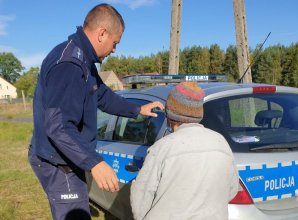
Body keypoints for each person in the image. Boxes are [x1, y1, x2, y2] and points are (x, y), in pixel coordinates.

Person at [28, 3, 163, 220]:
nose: (114, 49)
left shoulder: (84, 60)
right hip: (58, 162)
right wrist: (95, 163)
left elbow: (102, 95)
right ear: (102, 34)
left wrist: (137, 108)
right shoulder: (70, 64)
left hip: (68, 157)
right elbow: (57, 126)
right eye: (115, 43)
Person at [131, 81, 239, 220]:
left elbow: (141, 199)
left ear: (170, 114)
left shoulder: (162, 147)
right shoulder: (221, 142)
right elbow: (231, 190)